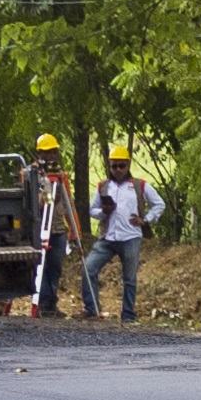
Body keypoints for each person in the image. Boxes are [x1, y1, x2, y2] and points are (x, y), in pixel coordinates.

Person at [80, 145, 162, 322]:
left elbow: (159, 204)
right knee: (88, 268)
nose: (118, 170)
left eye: (121, 166)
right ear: (109, 166)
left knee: (129, 278)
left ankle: (128, 315)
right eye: (114, 166)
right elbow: (92, 210)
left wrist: (146, 219)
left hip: (131, 238)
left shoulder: (140, 185)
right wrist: (104, 212)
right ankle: (91, 309)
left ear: (128, 165)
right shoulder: (103, 186)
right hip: (108, 237)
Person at [23, 136, 81, 316]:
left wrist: (74, 230)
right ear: (39, 153)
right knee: (42, 266)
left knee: (55, 267)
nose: (51, 156)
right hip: (38, 228)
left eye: (54, 151)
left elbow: (68, 204)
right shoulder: (28, 173)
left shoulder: (61, 176)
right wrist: (45, 197)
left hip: (57, 228)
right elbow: (27, 202)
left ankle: (50, 304)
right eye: (47, 152)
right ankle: (44, 303)